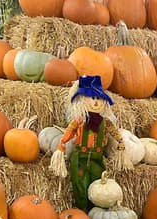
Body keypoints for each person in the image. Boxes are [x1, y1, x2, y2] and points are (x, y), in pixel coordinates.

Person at [49, 76, 129, 210]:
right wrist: (61, 144)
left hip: (97, 159)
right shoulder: (80, 121)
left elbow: (115, 133)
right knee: (80, 184)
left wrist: (120, 142)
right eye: (92, 98)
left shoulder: (105, 123)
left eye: (98, 98)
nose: (96, 102)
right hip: (80, 157)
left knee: (98, 184)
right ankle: (82, 211)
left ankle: (94, 211)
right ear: (82, 99)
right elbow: (69, 131)